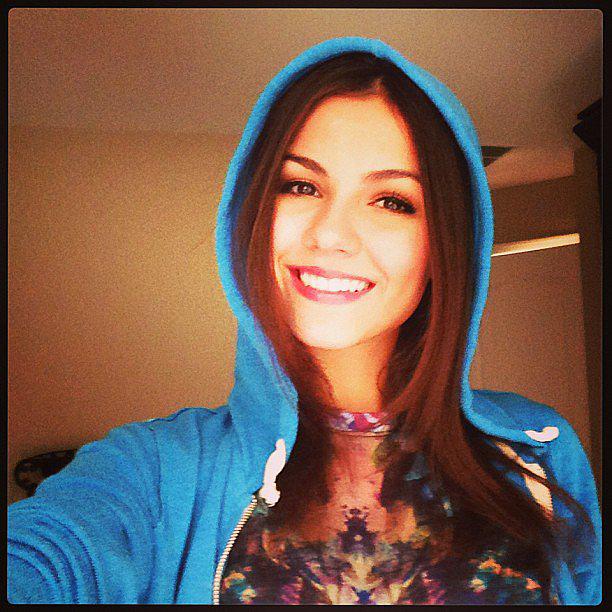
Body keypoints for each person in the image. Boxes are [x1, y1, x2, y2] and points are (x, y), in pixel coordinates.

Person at [8, 36, 601, 605]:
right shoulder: (155, 472)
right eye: (300, 186)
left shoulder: (538, 451)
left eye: (392, 201)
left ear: (444, 247)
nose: (331, 235)